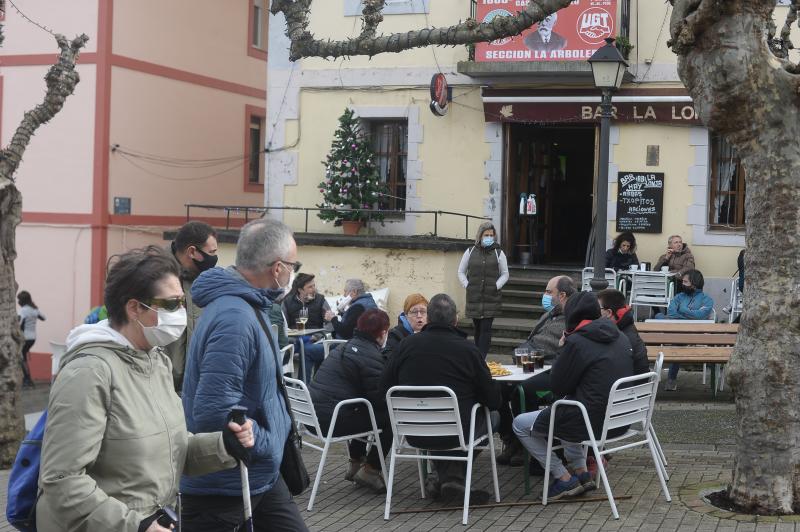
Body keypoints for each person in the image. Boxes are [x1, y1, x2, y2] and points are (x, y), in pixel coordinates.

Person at [36, 246, 254, 532]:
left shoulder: (154, 360)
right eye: (171, 304)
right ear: (135, 307)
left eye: (182, 302)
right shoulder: (89, 372)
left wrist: (223, 445)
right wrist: (136, 525)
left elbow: (168, 450)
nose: (181, 313)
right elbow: (62, 479)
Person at [180, 219, 308, 531]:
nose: (294, 272)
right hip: (226, 486)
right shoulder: (234, 318)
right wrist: (266, 440)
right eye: (294, 265)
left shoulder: (249, 305)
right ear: (277, 269)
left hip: (257, 474)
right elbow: (214, 412)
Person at [512, 292, 634, 500]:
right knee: (569, 408)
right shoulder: (620, 336)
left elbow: (558, 387)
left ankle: (563, 477)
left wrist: (562, 348)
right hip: (619, 420)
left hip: (591, 421)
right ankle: (581, 473)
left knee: (520, 424)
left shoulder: (578, 341)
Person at [381, 294, 502, 502]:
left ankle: (448, 479)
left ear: (428, 318)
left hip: (412, 433)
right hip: (457, 433)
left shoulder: (405, 346)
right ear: (455, 319)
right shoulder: (468, 350)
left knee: (458, 423)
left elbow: (384, 387)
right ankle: (452, 479)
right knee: (493, 417)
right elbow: (492, 399)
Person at [309, 309, 392, 493]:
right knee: (391, 417)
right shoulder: (369, 355)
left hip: (312, 417)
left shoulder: (345, 346)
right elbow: (379, 400)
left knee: (363, 409)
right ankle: (371, 470)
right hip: (329, 422)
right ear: (383, 332)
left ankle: (356, 462)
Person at [497, 275, 576, 466]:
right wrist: (522, 354)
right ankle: (512, 438)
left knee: (521, 391)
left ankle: (527, 443)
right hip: (531, 362)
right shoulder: (550, 313)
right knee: (495, 388)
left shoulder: (571, 317)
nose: (545, 296)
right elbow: (533, 341)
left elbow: (551, 349)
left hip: (548, 369)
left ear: (563, 295)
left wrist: (526, 355)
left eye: (549, 292)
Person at [164, 221, 219, 393]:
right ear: (192, 252)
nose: (215, 258)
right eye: (211, 252)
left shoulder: (205, 279)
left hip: (194, 386)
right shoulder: (157, 275)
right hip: (164, 385)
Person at [656, 269, 715, 391]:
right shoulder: (679, 296)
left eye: (685, 282)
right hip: (675, 330)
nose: (682, 284)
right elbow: (671, 313)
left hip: (694, 334)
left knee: (678, 341)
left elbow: (700, 316)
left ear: (694, 283)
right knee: (658, 317)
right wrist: (690, 314)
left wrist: (682, 309)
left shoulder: (707, 300)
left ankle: (671, 379)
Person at [457, 222, 509, 357]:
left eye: (491, 235)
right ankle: (478, 355)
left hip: (491, 297)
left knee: (486, 328)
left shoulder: (499, 253)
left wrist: (496, 286)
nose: (489, 237)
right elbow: (461, 271)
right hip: (474, 297)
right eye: (486, 235)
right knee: (478, 329)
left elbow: (505, 274)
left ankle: (481, 357)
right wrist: (467, 285)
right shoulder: (470, 251)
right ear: (480, 235)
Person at [283, 273, 331, 380]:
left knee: (307, 350)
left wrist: (317, 336)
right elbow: (283, 324)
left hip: (314, 339)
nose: (314, 289)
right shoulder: (288, 301)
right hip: (294, 339)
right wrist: (291, 338)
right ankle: (287, 384)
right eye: (310, 287)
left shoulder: (320, 300)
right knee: (284, 351)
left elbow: (330, 324)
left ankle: (303, 385)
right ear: (300, 290)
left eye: (314, 285)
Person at [597, 288, 650, 375]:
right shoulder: (623, 325)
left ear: (609, 312)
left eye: (598, 308)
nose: (594, 311)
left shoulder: (619, 334)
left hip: (629, 385)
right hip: (636, 383)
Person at [17, 290, 44, 388]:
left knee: (21, 358)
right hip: (33, 338)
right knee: (23, 356)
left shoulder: (23, 310)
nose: (18, 302)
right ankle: (27, 379)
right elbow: (43, 317)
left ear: (22, 301)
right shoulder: (34, 309)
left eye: (19, 299)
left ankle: (27, 379)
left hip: (25, 337)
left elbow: (18, 324)